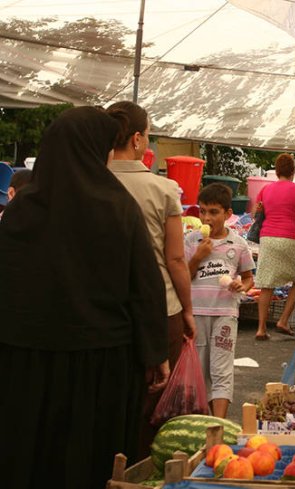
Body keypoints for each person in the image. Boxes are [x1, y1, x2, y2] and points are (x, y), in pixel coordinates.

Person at [0, 107, 169, 489]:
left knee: (30, 451)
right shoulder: (116, 207)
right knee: (89, 457)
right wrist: (155, 353)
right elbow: (144, 286)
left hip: (26, 364)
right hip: (101, 365)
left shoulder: (20, 211)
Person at [106, 100, 195, 456]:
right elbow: (175, 259)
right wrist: (188, 310)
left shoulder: (91, 182)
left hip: (105, 310)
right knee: (152, 408)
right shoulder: (163, 189)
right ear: (139, 139)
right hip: (161, 309)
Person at [185, 183, 254, 419]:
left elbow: (248, 278)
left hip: (225, 313)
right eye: (202, 211)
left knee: (221, 370)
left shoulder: (238, 244)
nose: (206, 218)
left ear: (227, 214)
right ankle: (202, 422)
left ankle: (219, 424)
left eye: (213, 212)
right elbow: (183, 275)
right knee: (199, 371)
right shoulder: (191, 240)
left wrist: (240, 286)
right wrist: (197, 257)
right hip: (196, 315)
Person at [252, 153, 295, 340]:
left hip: (268, 238)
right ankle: (283, 320)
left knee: (267, 284)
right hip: (292, 238)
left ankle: (261, 328)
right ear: (293, 171)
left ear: (276, 171)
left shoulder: (265, 190)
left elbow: (255, 215)